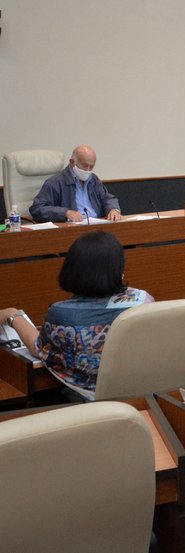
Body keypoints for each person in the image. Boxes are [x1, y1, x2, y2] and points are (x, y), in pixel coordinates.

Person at [0, 231, 153, 399]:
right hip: (144, 395)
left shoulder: (62, 314)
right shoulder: (143, 299)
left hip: (93, 403)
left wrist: (13, 315)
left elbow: (39, 348)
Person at [30, 145, 121, 223]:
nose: (88, 170)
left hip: (97, 226)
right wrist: (65, 213)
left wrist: (113, 209)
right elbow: (37, 209)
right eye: (85, 166)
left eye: (92, 166)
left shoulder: (93, 179)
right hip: (72, 230)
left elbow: (107, 198)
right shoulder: (55, 182)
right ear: (72, 162)